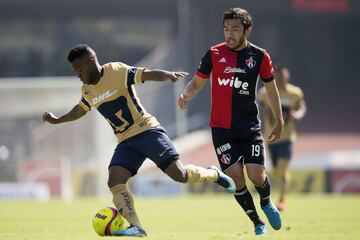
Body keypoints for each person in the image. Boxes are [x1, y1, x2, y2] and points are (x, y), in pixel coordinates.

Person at [42, 44, 236, 237]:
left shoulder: (116, 71)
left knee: (180, 175)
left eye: (80, 69)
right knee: (115, 180)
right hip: (126, 141)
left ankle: (213, 174)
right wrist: (57, 120)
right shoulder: (87, 90)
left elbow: (147, 74)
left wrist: (168, 75)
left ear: (92, 61)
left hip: (147, 131)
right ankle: (136, 227)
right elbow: (79, 110)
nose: (78, 74)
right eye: (76, 71)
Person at [178, 8, 283, 236]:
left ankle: (266, 201)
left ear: (248, 30)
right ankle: (257, 223)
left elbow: (271, 90)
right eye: (226, 29)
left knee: (256, 175)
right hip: (221, 129)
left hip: (249, 127)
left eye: (235, 29)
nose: (230, 34)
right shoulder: (214, 54)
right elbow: (197, 83)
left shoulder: (259, 56)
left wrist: (279, 120)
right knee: (237, 178)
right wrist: (186, 95)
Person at [258, 63, 306, 211]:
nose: (280, 79)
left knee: (283, 169)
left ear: (287, 76)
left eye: (283, 76)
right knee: (278, 171)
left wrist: (297, 115)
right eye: (277, 76)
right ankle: (282, 188)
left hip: (287, 137)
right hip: (271, 137)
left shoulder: (295, 93)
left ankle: (282, 200)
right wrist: (263, 114)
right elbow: (260, 107)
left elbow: (302, 107)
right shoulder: (265, 92)